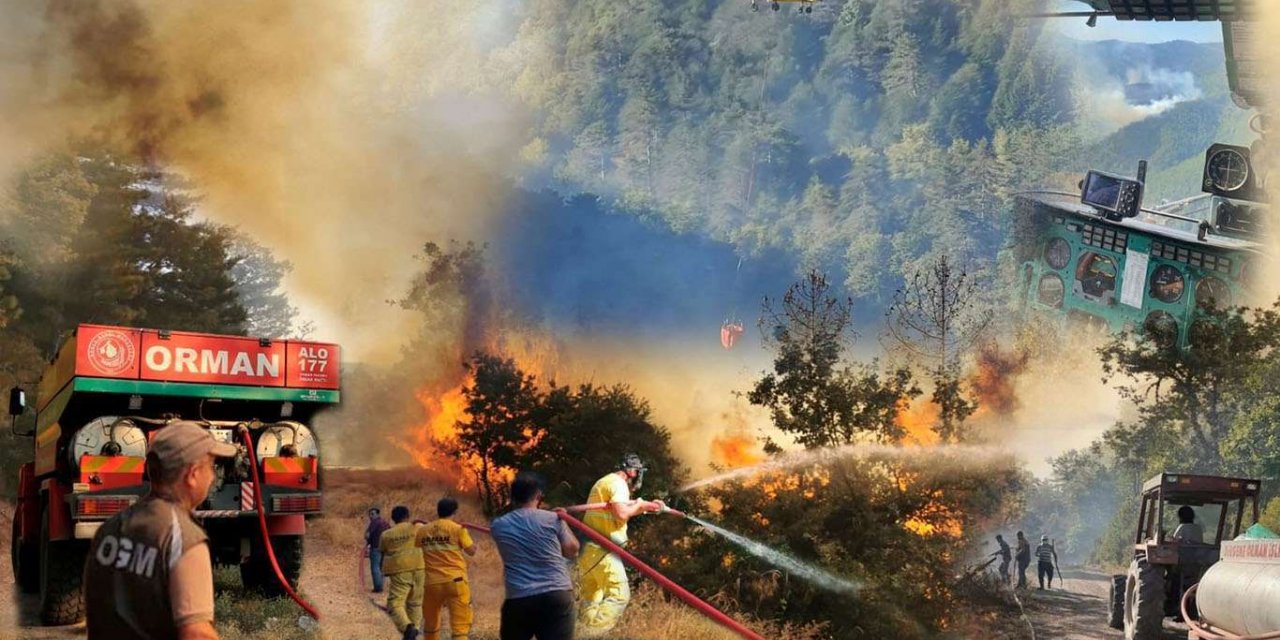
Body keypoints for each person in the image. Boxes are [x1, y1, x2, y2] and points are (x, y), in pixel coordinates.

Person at [84, 420, 238, 640]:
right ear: (192, 474)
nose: (213, 476)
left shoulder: (110, 529)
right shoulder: (183, 538)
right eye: (211, 466)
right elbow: (196, 634)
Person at [577, 453, 664, 635]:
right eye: (638, 471)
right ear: (632, 472)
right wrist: (639, 506)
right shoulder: (619, 484)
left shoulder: (605, 481)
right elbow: (622, 514)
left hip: (588, 549)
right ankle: (592, 635)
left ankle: (580, 632)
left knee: (592, 598)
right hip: (603, 550)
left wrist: (646, 507)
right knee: (619, 595)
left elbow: (620, 510)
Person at [491, 472, 580, 640]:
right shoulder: (553, 519)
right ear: (539, 495)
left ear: (512, 497)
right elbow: (572, 550)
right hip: (556, 595)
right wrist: (563, 521)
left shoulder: (498, 525)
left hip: (519, 599)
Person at [418, 497, 477, 640]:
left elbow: (418, 547)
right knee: (460, 628)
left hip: (431, 583)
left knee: (431, 626)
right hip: (455, 581)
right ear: (455, 511)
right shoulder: (458, 529)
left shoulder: (423, 530)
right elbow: (471, 551)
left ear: (438, 511)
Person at [380, 505, 425, 640]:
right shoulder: (419, 527)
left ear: (393, 519)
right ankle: (414, 630)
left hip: (400, 571)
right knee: (415, 603)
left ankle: (407, 628)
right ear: (408, 516)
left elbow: (383, 550)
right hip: (420, 568)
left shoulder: (387, 534)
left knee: (395, 603)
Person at [366, 507, 391, 594]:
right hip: (385, 548)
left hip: (376, 547)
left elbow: (368, 535)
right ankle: (380, 586)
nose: (370, 516)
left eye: (372, 514)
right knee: (381, 567)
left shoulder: (374, 523)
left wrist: (367, 542)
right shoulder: (386, 523)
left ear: (377, 514)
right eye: (370, 514)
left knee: (375, 567)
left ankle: (378, 587)